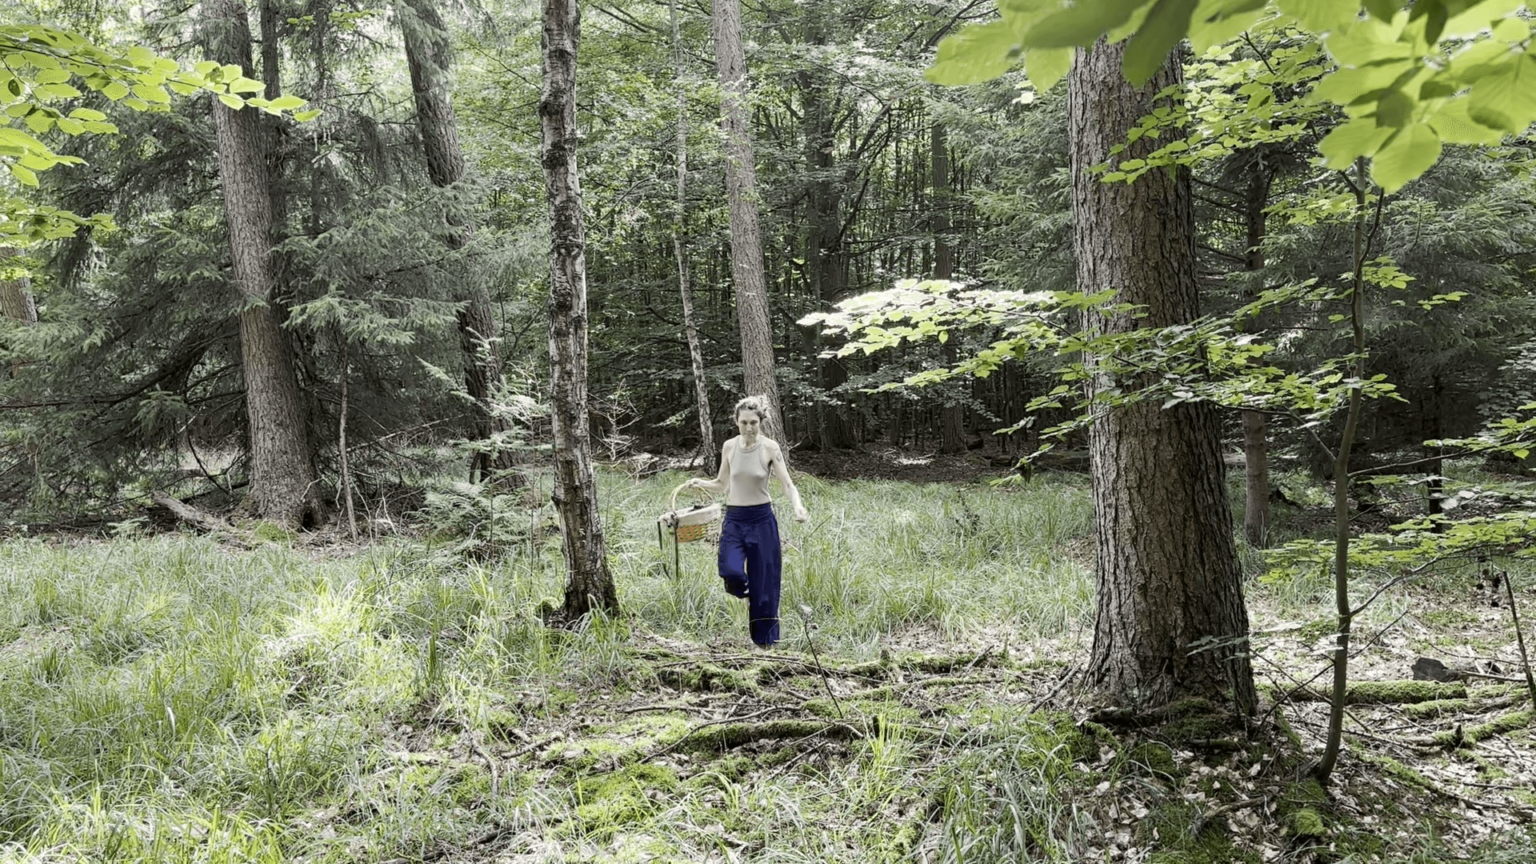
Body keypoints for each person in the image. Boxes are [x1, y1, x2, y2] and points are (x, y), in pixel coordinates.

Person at [686, 396, 808, 647]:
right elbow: (721, 485)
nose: (749, 428)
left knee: (766, 586)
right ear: (736, 422)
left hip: (762, 521)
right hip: (734, 520)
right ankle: (749, 593)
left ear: (760, 422)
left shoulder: (769, 448)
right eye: (744, 423)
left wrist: (798, 506)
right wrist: (700, 483)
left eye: (754, 422)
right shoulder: (729, 446)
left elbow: (787, 484)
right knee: (730, 571)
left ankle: (765, 645)